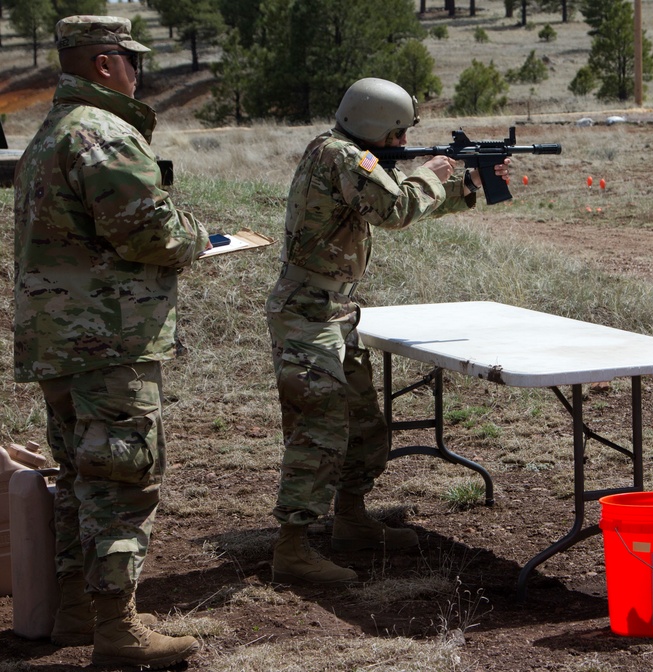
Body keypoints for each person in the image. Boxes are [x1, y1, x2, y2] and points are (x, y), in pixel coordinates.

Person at [12, 15, 210, 669]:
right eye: (131, 59)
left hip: (61, 343)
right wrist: (196, 233)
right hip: (109, 341)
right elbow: (148, 234)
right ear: (103, 63)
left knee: (78, 479)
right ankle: (118, 631)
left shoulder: (48, 135)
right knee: (122, 480)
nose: (138, 71)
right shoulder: (106, 133)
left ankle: (77, 611)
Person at [267, 77, 511, 585]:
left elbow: (391, 203)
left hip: (331, 310)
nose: (403, 144)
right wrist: (430, 174)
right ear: (375, 127)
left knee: (363, 424)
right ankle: (292, 549)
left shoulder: (340, 154)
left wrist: (463, 187)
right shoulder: (344, 158)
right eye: (398, 135)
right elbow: (396, 208)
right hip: (309, 313)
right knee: (319, 430)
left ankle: (351, 521)